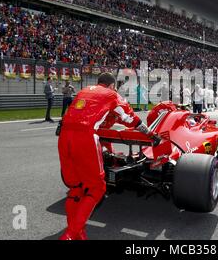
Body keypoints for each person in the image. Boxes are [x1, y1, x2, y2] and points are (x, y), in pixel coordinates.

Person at [58, 73, 160, 240]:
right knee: (97, 188)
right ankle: (69, 235)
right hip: (84, 137)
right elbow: (129, 118)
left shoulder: (84, 91)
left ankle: (78, 232)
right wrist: (150, 134)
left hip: (64, 136)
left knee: (76, 188)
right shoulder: (112, 94)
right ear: (112, 86)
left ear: (98, 83)